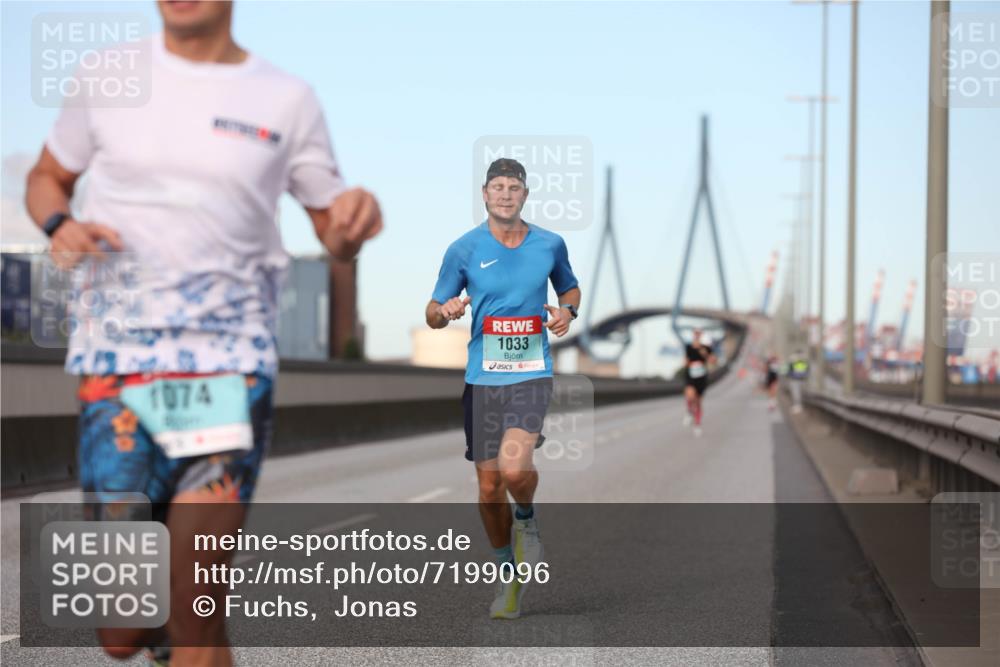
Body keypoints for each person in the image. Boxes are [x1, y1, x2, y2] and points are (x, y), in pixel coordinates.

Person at [25, 2, 382, 664]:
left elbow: (333, 227)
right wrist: (58, 224)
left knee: (195, 603)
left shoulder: (286, 98)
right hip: (116, 367)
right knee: (122, 632)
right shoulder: (106, 74)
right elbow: (47, 177)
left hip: (228, 367)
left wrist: (353, 222)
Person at [425, 158, 580, 619]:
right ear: (485, 194)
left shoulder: (550, 244)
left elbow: (569, 290)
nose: (506, 194)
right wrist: (445, 312)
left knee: (514, 470)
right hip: (482, 380)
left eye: (514, 187)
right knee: (489, 487)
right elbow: (431, 312)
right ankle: (507, 575)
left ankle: (527, 522)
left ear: (525, 195)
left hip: (531, 374)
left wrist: (567, 313)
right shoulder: (463, 249)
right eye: (498, 187)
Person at [682, 328, 716, 437]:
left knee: (698, 402)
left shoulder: (706, 347)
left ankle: (697, 424)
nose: (697, 335)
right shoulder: (689, 347)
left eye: (698, 333)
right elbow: (685, 361)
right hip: (691, 374)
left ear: (701, 335)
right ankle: (689, 412)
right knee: (690, 395)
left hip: (701, 376)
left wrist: (705, 354)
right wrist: (687, 363)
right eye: (695, 333)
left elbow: (713, 361)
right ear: (693, 334)